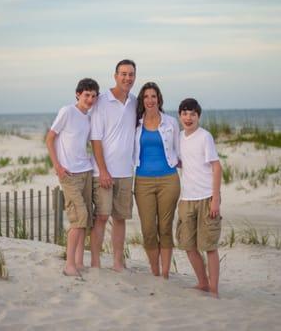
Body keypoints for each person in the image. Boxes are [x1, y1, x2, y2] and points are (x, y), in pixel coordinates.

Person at [45, 78, 100, 277]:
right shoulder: (67, 111)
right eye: (86, 95)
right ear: (78, 94)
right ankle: (69, 265)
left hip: (86, 171)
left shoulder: (89, 117)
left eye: (93, 96)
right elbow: (50, 138)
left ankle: (78, 262)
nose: (90, 99)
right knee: (79, 217)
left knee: (85, 220)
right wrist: (57, 166)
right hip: (68, 174)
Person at [90, 59, 137, 272]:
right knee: (101, 217)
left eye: (131, 74)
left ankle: (118, 263)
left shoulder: (135, 102)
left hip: (126, 172)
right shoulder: (101, 101)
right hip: (104, 172)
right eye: (123, 74)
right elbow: (95, 139)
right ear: (115, 76)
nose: (127, 78)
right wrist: (103, 171)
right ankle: (95, 262)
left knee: (120, 218)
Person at [133, 82, 180, 279]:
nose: (150, 100)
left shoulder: (171, 122)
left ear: (159, 99)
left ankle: (166, 273)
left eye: (153, 96)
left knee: (165, 227)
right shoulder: (135, 123)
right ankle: (155, 271)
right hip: (143, 181)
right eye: (146, 97)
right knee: (149, 230)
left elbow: (180, 149)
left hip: (169, 180)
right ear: (142, 101)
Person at [176, 98, 222, 297]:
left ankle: (213, 288)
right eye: (185, 114)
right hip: (186, 199)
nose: (188, 118)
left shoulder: (205, 137)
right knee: (188, 244)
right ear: (180, 116)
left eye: (192, 114)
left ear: (198, 116)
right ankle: (202, 282)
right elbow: (181, 162)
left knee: (209, 246)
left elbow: (216, 166)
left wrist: (215, 198)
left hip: (206, 197)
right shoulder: (178, 137)